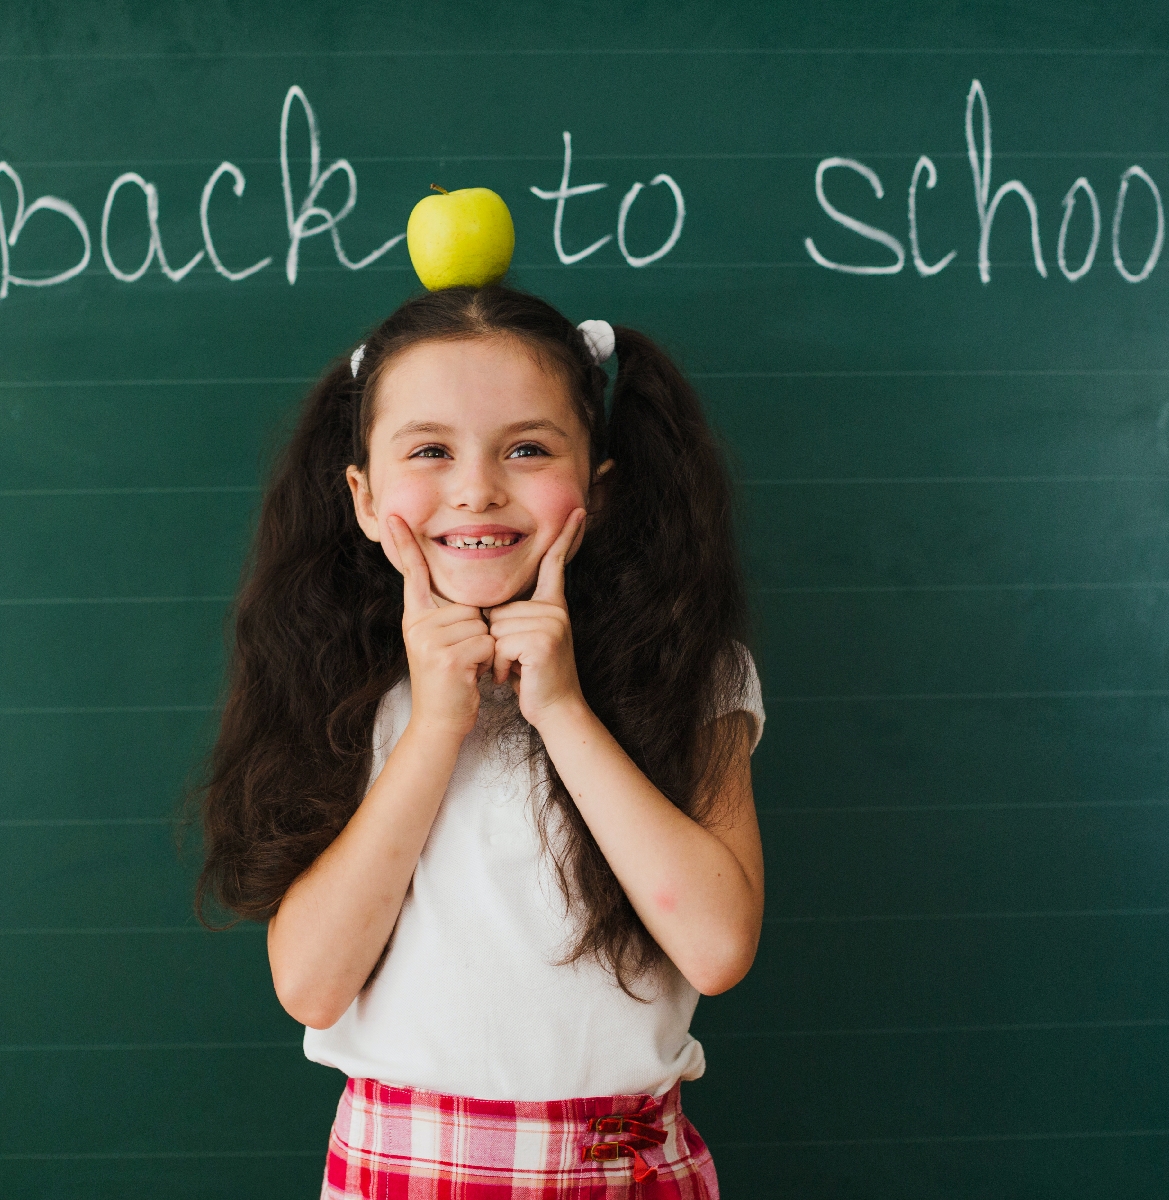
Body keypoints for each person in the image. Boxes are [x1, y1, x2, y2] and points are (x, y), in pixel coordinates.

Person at [192, 283, 765, 1198]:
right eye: (429, 450)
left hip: (626, 1169)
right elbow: (309, 985)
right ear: (364, 494)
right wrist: (437, 722)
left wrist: (565, 711)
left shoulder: (693, 676)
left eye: (528, 448)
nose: (477, 489)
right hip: (401, 1170)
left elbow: (717, 948)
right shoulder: (338, 685)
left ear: (601, 489)